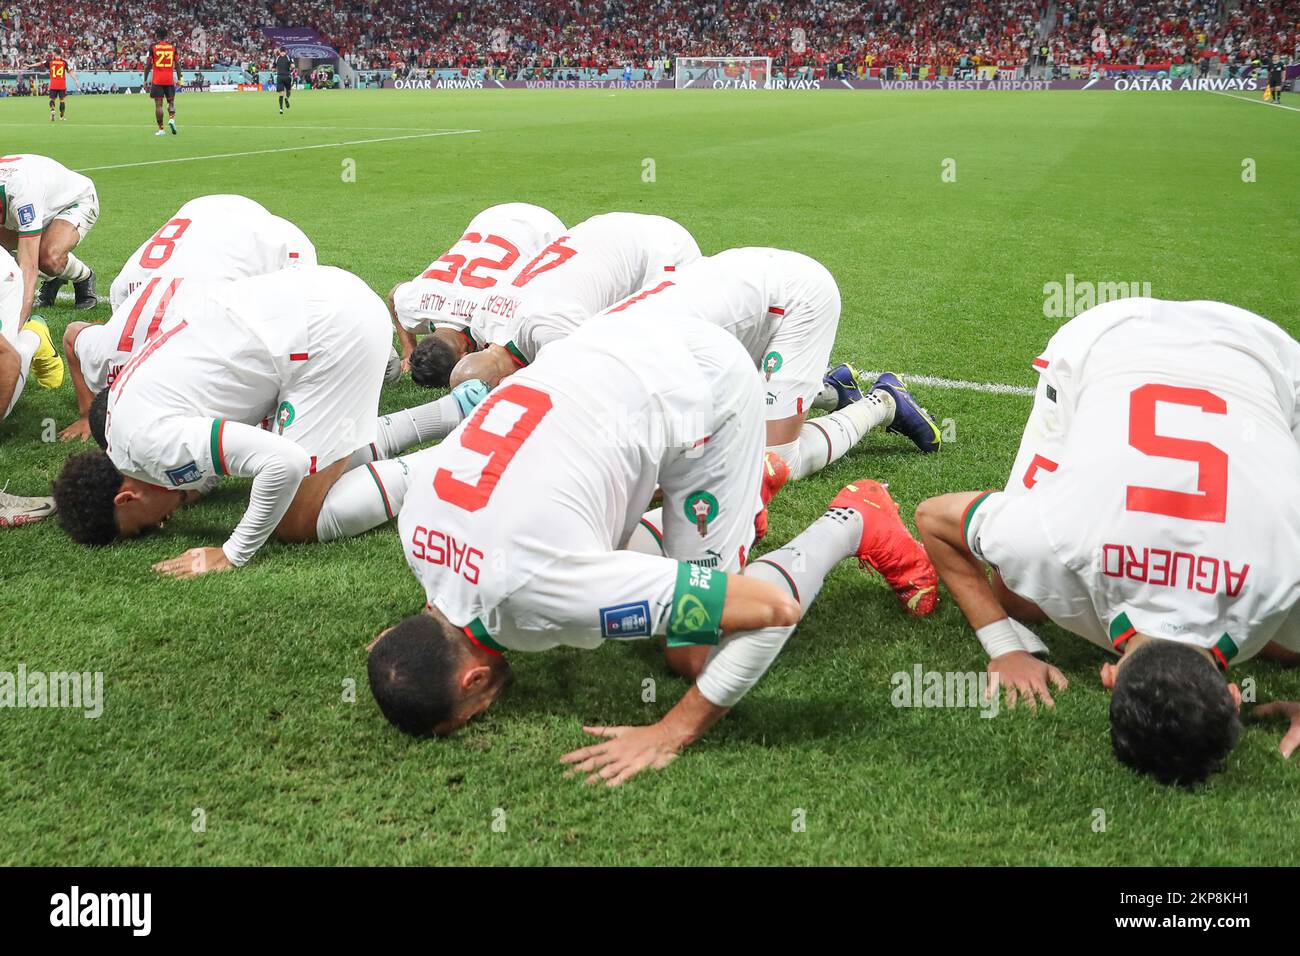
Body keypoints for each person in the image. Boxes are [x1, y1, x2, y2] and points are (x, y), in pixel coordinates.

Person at [369, 312, 937, 784]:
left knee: (691, 651)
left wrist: (671, 733)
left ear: (472, 684)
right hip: (608, 344)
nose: (482, 714)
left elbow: (772, 612)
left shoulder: (539, 593)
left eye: (468, 718)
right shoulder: (416, 531)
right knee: (614, 545)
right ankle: (743, 492)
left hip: (703, 391)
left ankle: (855, 518)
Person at [915, 298, 1300, 786]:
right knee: (1018, 598)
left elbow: (933, 517)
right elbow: (933, 519)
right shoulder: (1059, 540)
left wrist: (1005, 646)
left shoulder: (1285, 570)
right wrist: (1002, 647)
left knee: (1022, 598)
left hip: (1251, 350)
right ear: (1109, 676)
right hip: (1217, 352)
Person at [51, 266, 488, 576]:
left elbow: (284, 463)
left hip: (329, 334)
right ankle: (455, 410)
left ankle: (463, 456)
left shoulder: (151, 445)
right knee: (315, 457)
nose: (164, 524)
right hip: (322, 302)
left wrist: (233, 552)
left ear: (126, 498)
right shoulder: (126, 429)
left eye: (147, 525)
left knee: (296, 520)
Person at [60, 194, 318, 441]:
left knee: (296, 331)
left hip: (258, 236)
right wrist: (89, 416)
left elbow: (74, 335)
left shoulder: (216, 349)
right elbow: (73, 336)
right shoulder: (109, 348)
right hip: (192, 224)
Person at [440, 212, 700, 388]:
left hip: (661, 246)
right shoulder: (482, 319)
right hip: (604, 227)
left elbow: (595, 380)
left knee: (665, 354)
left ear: (501, 383)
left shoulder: (550, 329)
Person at [389, 203, 565, 386]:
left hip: (543, 231)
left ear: (464, 358)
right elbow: (395, 294)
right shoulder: (416, 302)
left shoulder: (494, 319)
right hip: (488, 219)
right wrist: (409, 350)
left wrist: (409, 349)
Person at [0, 153, 99, 319]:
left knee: (47, 258)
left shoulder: (23, 192)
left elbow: (28, 266)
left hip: (75, 201)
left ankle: (84, 276)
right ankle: (52, 277)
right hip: (41, 200)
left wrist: (15, 324)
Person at [144, 28, 180, 135]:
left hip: (157, 80)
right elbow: (177, 64)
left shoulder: (153, 47)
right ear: (166, 36)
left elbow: (148, 65)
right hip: (169, 79)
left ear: (156, 36)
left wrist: (145, 80)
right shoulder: (172, 48)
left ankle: (161, 129)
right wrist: (179, 78)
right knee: (171, 102)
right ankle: (172, 119)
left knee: (158, 105)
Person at [274, 48, 293, 113]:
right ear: (285, 51)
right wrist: (291, 68)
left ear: (280, 52)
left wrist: (276, 69)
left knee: (281, 94)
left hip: (279, 77)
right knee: (289, 91)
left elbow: (273, 68)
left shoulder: (277, 58)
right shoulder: (288, 57)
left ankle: (281, 109)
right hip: (287, 76)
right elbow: (293, 66)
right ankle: (287, 98)